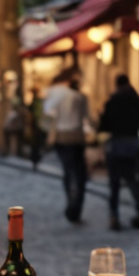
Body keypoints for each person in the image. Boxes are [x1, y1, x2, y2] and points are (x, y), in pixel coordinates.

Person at [98, 73, 139, 231]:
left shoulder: (113, 100)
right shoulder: (134, 98)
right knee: (134, 180)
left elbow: (104, 124)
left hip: (117, 143)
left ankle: (114, 216)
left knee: (114, 183)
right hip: (132, 143)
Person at [44, 68, 91, 224]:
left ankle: (71, 204)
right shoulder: (81, 98)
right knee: (79, 174)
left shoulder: (60, 95)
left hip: (63, 137)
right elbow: (87, 119)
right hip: (77, 137)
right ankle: (76, 207)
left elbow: (48, 111)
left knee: (69, 172)